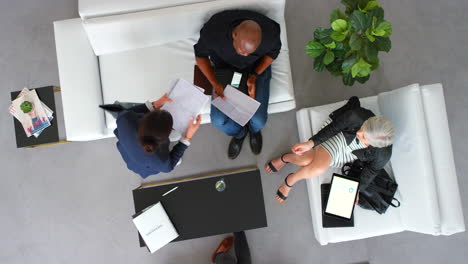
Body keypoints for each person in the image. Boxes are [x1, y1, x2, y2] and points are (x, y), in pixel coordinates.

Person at [265, 96, 395, 203]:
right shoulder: (357, 116)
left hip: (349, 153)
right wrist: (310, 143)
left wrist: (356, 190)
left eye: (364, 136)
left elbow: (370, 172)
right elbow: (334, 128)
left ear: (375, 144)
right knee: (318, 168)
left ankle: (286, 157)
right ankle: (290, 181)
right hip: (340, 133)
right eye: (363, 127)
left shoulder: (383, 154)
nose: (359, 132)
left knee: (305, 160)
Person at [194, 10, 282, 159]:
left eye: (251, 52)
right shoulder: (214, 31)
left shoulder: (270, 33)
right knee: (218, 120)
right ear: (234, 35)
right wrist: (215, 83)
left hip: (255, 70)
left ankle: (253, 130)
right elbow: (200, 56)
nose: (246, 55)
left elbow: (273, 53)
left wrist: (255, 75)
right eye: (242, 50)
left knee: (259, 121)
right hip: (225, 71)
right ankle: (240, 133)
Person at [101, 94, 202, 178]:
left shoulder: (125, 119)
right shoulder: (161, 163)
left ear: (145, 117)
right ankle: (171, 154)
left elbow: (132, 112)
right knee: (176, 139)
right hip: (146, 165)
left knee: (166, 156)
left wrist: (154, 104)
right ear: (166, 136)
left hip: (129, 151)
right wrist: (187, 137)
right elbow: (169, 167)